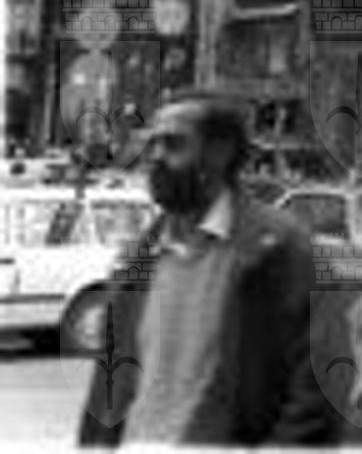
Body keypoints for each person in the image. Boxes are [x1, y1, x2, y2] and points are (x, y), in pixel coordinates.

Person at [78, 89, 342, 446]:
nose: (155, 156)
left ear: (220, 152)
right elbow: (106, 392)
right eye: (153, 144)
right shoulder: (138, 259)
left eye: (173, 144)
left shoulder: (278, 250)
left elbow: (317, 395)